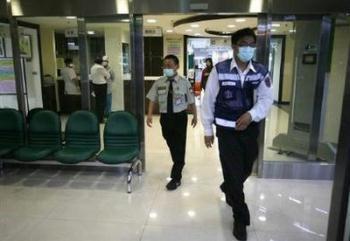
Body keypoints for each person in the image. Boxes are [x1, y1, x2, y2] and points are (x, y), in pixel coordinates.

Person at [201, 28, 273, 241]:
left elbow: (266, 99)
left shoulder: (260, 71)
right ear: (234, 46)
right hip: (226, 130)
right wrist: (207, 129)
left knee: (246, 169)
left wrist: (251, 115)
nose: (248, 48)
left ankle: (228, 187)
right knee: (233, 171)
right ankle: (240, 218)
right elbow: (208, 100)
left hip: (250, 128)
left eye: (252, 45)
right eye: (244, 44)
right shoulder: (219, 70)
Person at [146, 54, 198, 191]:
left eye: (169, 65)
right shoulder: (159, 82)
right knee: (169, 140)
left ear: (177, 66)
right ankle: (178, 160)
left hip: (180, 117)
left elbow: (191, 100)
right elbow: (152, 98)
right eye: (165, 65)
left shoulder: (184, 82)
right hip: (165, 117)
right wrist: (150, 114)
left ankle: (176, 177)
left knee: (179, 144)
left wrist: (195, 116)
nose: (166, 68)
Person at [90, 57, 110, 123]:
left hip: (95, 86)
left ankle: (98, 118)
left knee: (98, 103)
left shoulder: (92, 67)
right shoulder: (100, 68)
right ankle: (101, 119)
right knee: (102, 103)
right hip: (102, 86)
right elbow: (108, 75)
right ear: (101, 62)